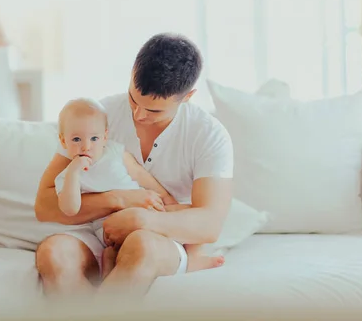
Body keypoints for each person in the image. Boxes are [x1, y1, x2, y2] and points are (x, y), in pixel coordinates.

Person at [34, 33, 234, 297]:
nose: (138, 115)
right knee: (54, 253)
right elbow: (45, 206)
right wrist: (117, 200)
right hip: (95, 232)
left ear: (187, 97)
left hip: (162, 237)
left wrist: (141, 218)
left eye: (154, 111)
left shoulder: (208, 134)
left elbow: (209, 224)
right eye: (133, 99)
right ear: (131, 73)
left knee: (141, 245)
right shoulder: (96, 117)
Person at [52, 97, 225, 280]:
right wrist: (73, 172)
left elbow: (142, 176)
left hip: (148, 210)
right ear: (63, 142)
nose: (86, 146)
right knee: (126, 245)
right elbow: (69, 209)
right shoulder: (66, 176)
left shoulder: (115, 152)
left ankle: (194, 258)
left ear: (105, 136)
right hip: (111, 227)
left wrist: (168, 201)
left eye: (94, 138)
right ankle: (113, 263)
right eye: (76, 139)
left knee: (190, 212)